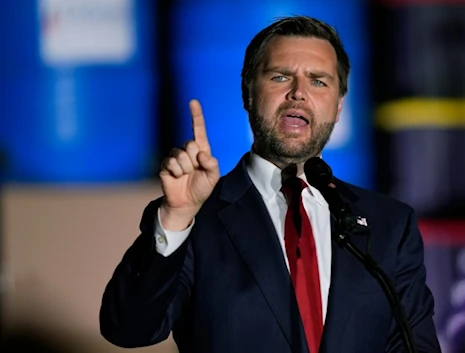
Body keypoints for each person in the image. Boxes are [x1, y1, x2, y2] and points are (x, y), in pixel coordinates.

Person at [99, 15, 441, 353]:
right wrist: (176, 218)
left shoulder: (390, 225)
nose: (298, 94)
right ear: (248, 94)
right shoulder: (195, 219)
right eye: (280, 77)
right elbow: (129, 329)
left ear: (338, 107)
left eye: (318, 81)